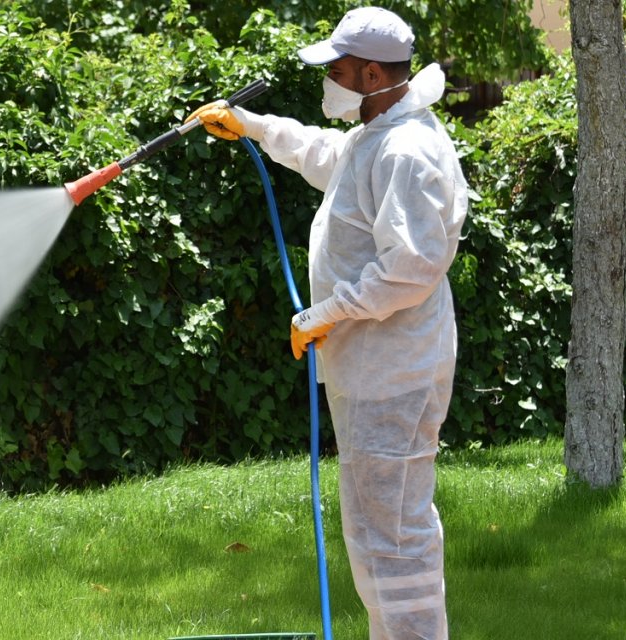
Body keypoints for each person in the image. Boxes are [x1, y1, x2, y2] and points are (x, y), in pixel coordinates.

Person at [186, 7, 469, 639]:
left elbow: (412, 268)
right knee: (381, 532)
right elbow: (326, 155)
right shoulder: (377, 132)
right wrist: (254, 126)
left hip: (392, 371)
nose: (328, 81)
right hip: (376, 367)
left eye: (336, 70)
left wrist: (328, 313)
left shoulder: (406, 150)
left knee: (392, 536)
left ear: (371, 73)